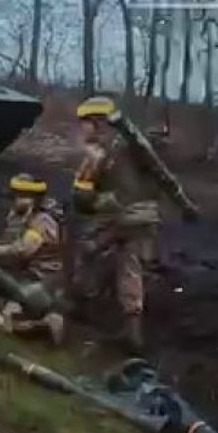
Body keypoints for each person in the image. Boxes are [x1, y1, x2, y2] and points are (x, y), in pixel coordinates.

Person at [70, 95, 193, 351]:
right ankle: (132, 331)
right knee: (130, 268)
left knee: (88, 250)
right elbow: (164, 177)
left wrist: (88, 195)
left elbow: (86, 199)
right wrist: (185, 205)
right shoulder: (119, 149)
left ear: (98, 123)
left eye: (85, 123)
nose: (81, 129)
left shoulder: (111, 150)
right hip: (141, 219)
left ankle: (80, 305)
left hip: (124, 218)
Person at [0, 173, 66, 344]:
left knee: (2, 320)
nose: (16, 200)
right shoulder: (20, 217)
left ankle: (42, 324)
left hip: (42, 281)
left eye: (22, 196)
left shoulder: (42, 221)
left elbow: (23, 250)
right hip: (28, 277)